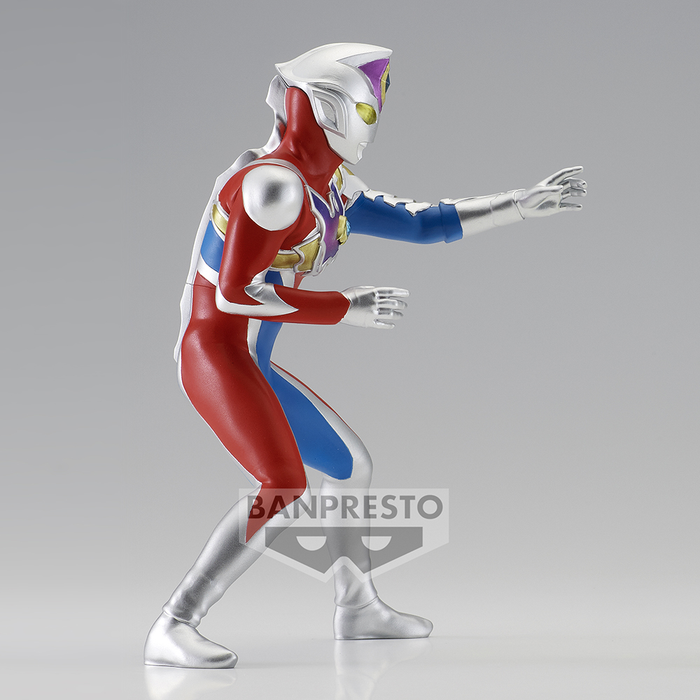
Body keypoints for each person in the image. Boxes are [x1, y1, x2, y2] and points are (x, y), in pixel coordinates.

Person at [144, 43, 586, 669]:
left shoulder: (329, 190)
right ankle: (175, 622)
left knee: (351, 467)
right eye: (366, 110)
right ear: (324, 109)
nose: (371, 123)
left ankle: (357, 608)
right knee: (283, 485)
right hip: (215, 355)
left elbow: (422, 224)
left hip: (250, 361)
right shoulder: (272, 186)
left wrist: (518, 203)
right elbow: (234, 294)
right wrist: (342, 308)